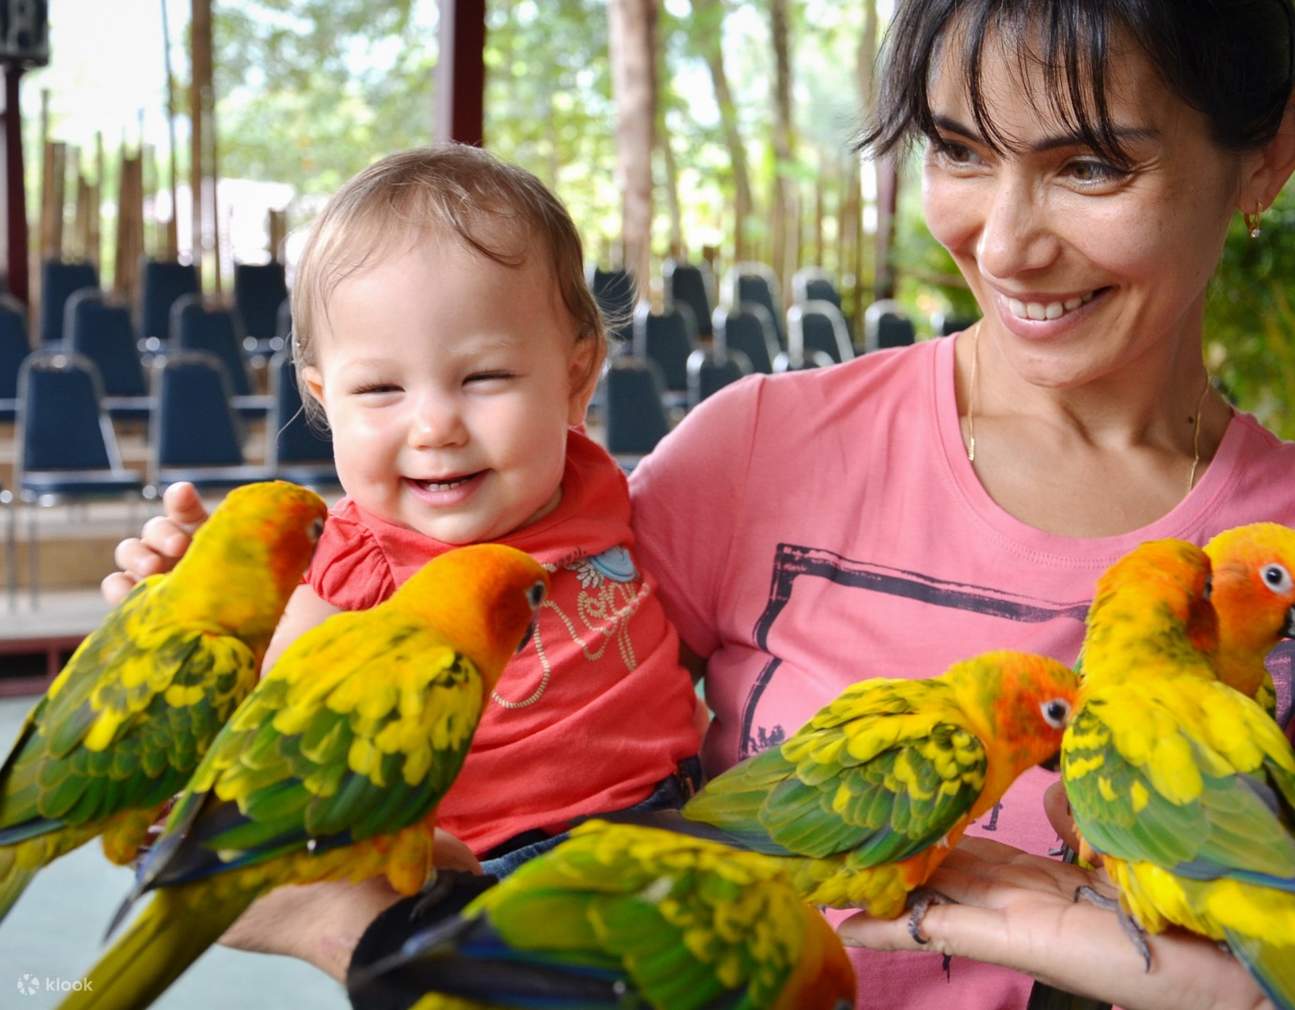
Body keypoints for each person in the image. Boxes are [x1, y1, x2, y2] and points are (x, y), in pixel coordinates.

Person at [110, 2, 1295, 1007]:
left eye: (1090, 164)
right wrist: (225, 647)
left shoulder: (1273, 552)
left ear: (1262, 159)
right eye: (959, 151)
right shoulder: (759, 446)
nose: (1008, 241)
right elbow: (464, 701)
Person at [106, 144, 702, 887]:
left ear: (574, 376)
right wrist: (208, 602)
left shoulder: (599, 486)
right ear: (325, 401)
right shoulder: (351, 559)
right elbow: (266, 708)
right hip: (483, 867)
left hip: (672, 826)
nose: (434, 428)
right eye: (381, 391)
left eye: (484, 377)